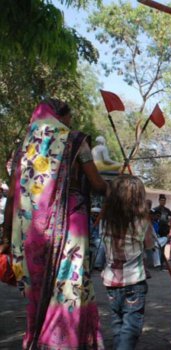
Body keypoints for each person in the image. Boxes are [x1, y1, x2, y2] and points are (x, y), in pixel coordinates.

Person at [0, 99, 107, 349]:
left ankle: (38, 338)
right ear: (61, 116)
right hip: (71, 224)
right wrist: (115, 187)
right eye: (68, 117)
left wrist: (5, 238)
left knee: (38, 290)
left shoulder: (23, 150)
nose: (69, 123)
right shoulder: (76, 141)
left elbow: (13, 197)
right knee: (69, 286)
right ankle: (63, 342)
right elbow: (96, 184)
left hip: (30, 232)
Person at [101, 175, 155, 349]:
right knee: (131, 326)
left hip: (111, 282)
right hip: (134, 282)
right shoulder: (141, 221)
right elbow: (150, 245)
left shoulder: (106, 220)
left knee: (117, 323)